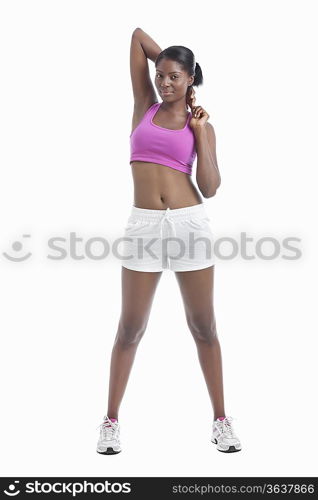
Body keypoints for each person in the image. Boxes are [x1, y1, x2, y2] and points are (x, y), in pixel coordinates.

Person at [96, 27, 242, 454]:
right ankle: (110, 422)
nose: (164, 83)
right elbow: (138, 38)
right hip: (142, 225)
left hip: (188, 223)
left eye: (174, 77)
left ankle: (221, 420)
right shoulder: (144, 105)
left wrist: (200, 132)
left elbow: (211, 187)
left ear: (190, 79)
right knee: (129, 328)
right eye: (161, 75)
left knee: (204, 327)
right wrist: (178, 65)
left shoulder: (200, 126)